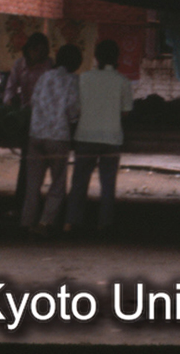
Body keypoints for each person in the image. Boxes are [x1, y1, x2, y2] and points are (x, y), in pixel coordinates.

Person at [65, 39, 134, 234]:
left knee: (79, 182)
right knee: (108, 185)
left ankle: (71, 222)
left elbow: (76, 108)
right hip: (111, 139)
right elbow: (126, 112)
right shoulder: (123, 81)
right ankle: (104, 224)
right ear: (117, 57)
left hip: (85, 136)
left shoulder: (84, 78)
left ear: (96, 57)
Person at [20, 44, 81, 237]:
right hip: (58, 137)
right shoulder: (73, 81)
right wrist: (72, 122)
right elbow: (73, 110)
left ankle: (27, 221)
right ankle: (45, 222)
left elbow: (34, 101)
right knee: (58, 183)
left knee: (33, 183)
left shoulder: (45, 77)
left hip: (36, 134)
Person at [5, 32, 53, 210]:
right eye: (35, 50)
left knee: (37, 164)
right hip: (25, 116)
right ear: (29, 50)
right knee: (26, 162)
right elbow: (10, 89)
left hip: (44, 117)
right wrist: (10, 101)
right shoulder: (19, 64)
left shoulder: (49, 66)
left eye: (42, 51)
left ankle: (32, 203)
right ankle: (22, 201)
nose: (38, 54)